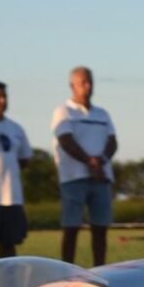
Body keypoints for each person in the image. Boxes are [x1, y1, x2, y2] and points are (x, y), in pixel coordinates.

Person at [51, 66, 116, 266]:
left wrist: (100, 161)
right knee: (71, 228)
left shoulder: (102, 114)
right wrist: (89, 161)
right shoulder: (64, 111)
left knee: (100, 228)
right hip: (74, 178)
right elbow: (65, 140)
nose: (87, 87)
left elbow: (112, 141)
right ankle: (66, 270)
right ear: (72, 85)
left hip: (101, 177)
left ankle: (100, 270)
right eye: (83, 83)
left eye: (90, 82)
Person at [0, 82, 32, 258]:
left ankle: (8, 277)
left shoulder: (16, 129)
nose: (2, 101)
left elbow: (24, 158)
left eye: (4, 96)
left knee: (9, 246)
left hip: (10, 197)